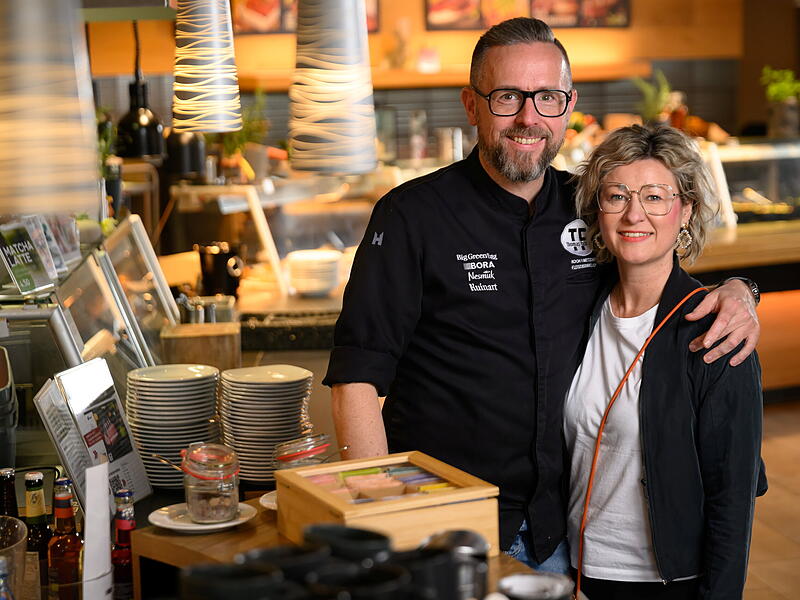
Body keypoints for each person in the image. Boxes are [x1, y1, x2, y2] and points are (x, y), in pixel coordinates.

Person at [323, 17, 760, 572]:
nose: (529, 118)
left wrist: (741, 290)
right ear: (472, 104)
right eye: (507, 96)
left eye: (547, 97)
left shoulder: (589, 205)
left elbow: (654, 268)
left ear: (568, 105)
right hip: (442, 527)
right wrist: (383, 522)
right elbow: (358, 376)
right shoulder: (412, 215)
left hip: (558, 530)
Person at [565, 124, 766, 599]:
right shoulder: (575, 311)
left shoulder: (716, 333)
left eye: (655, 197)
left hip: (663, 582)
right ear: (597, 210)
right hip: (574, 569)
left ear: (686, 210)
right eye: (617, 196)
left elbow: (732, 500)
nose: (634, 214)